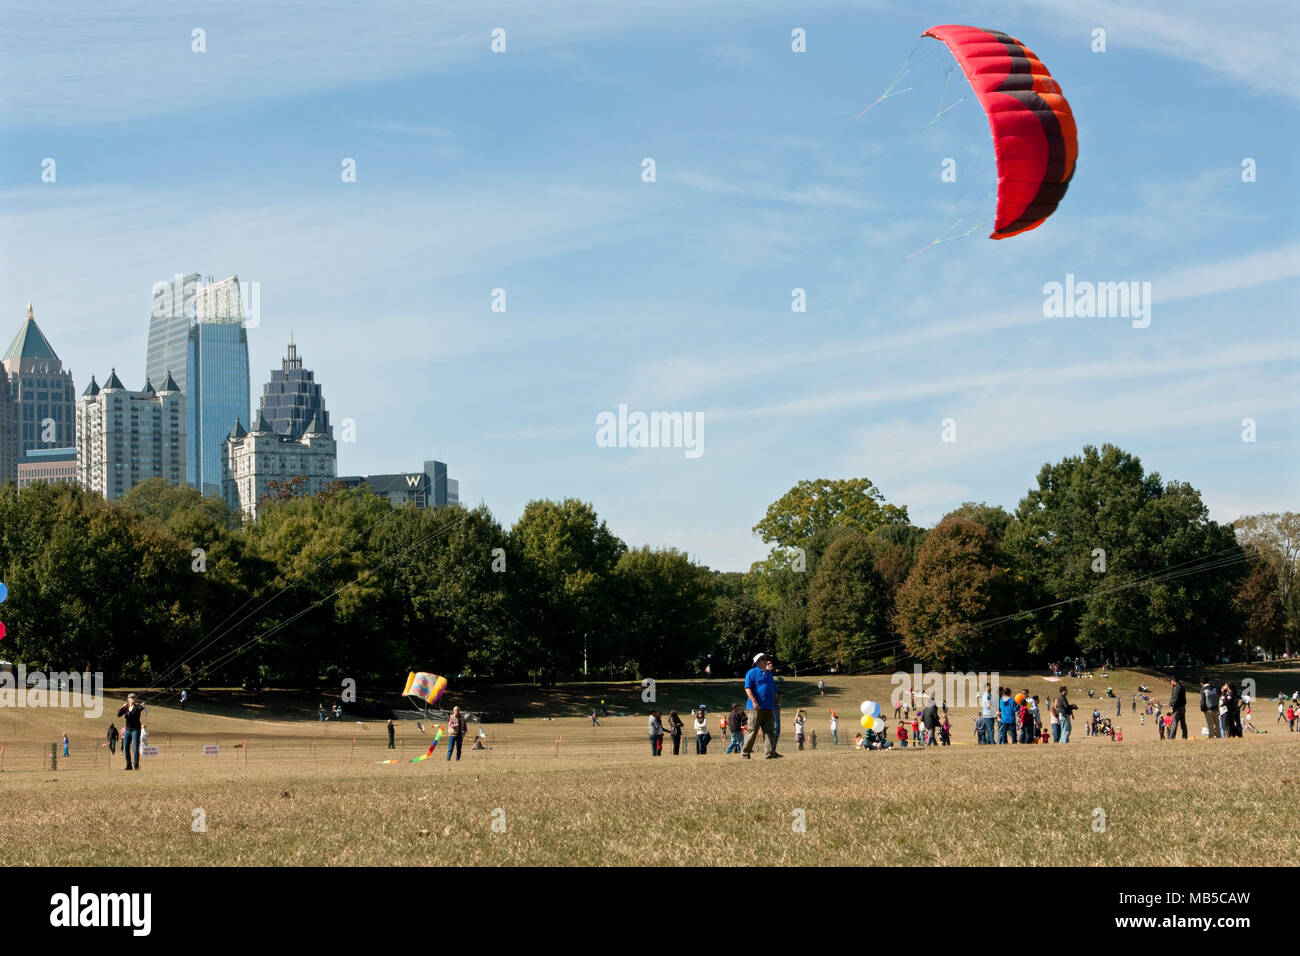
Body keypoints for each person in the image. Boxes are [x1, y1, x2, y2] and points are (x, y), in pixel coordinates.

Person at [741, 653, 781, 759]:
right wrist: (754, 702)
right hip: (755, 708)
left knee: (769, 731)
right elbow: (747, 689)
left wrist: (777, 704)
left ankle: (769, 753)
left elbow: (774, 691)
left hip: (769, 707)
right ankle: (745, 753)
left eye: (766, 659)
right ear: (757, 662)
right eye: (763, 659)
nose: (766, 661)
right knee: (752, 730)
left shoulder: (769, 674)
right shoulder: (751, 673)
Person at [117, 693, 144, 770]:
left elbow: (141, 708)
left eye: (133, 697)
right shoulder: (126, 708)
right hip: (128, 730)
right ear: (128, 699)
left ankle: (136, 765)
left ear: (135, 699)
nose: (132, 698)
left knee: (135, 748)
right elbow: (118, 715)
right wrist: (123, 707)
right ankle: (129, 765)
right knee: (126, 748)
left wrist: (143, 705)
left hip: (136, 730)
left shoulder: (137, 707)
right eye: (130, 697)